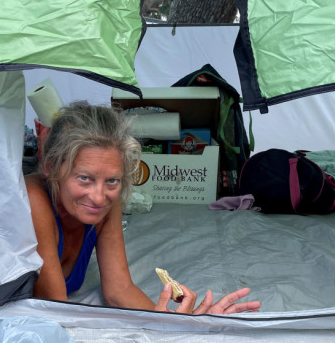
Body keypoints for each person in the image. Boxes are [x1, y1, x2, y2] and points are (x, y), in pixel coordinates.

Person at [25, 103, 261, 315]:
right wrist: (168, 330)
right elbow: (57, 312)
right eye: (85, 178)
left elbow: (119, 290)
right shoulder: (35, 199)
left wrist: (178, 322)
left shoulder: (106, 201)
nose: (98, 197)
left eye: (112, 181)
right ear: (51, 167)